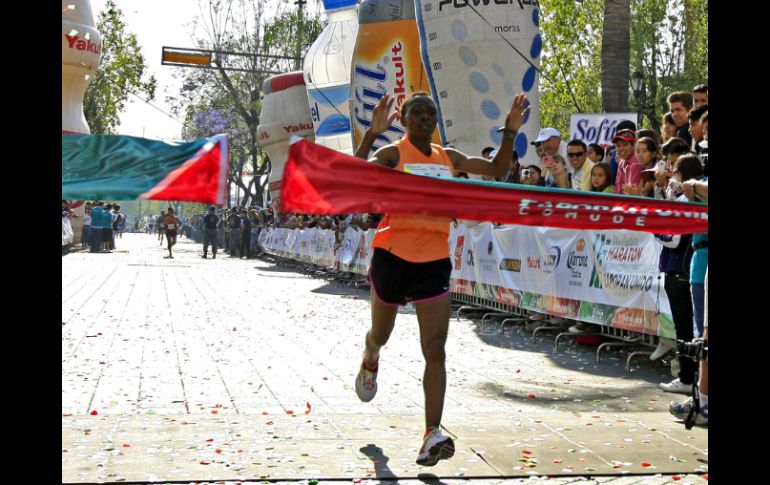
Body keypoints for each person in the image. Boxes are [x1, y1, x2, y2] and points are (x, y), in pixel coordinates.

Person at [352, 91, 530, 466]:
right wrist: (371, 134)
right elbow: (355, 177)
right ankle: (370, 358)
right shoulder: (394, 154)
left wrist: (510, 132)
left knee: (435, 350)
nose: (425, 116)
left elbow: (497, 171)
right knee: (380, 335)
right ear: (403, 118)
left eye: (430, 111)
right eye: (417, 111)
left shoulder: (448, 157)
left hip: (434, 260)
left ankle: (432, 434)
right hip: (392, 257)